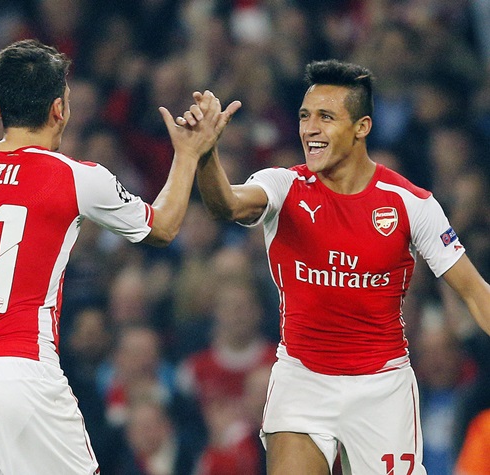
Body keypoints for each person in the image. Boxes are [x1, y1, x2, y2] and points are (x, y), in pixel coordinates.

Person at [0, 39, 240, 475]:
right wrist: (188, 154)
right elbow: (163, 227)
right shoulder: (73, 177)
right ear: (60, 109)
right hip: (21, 373)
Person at [181, 60, 490, 474]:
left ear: (362, 127)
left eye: (325, 117)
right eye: (304, 116)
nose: (310, 129)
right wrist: (206, 155)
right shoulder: (284, 186)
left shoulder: (410, 203)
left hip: (382, 387)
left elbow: (474, 291)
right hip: (302, 379)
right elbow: (228, 205)